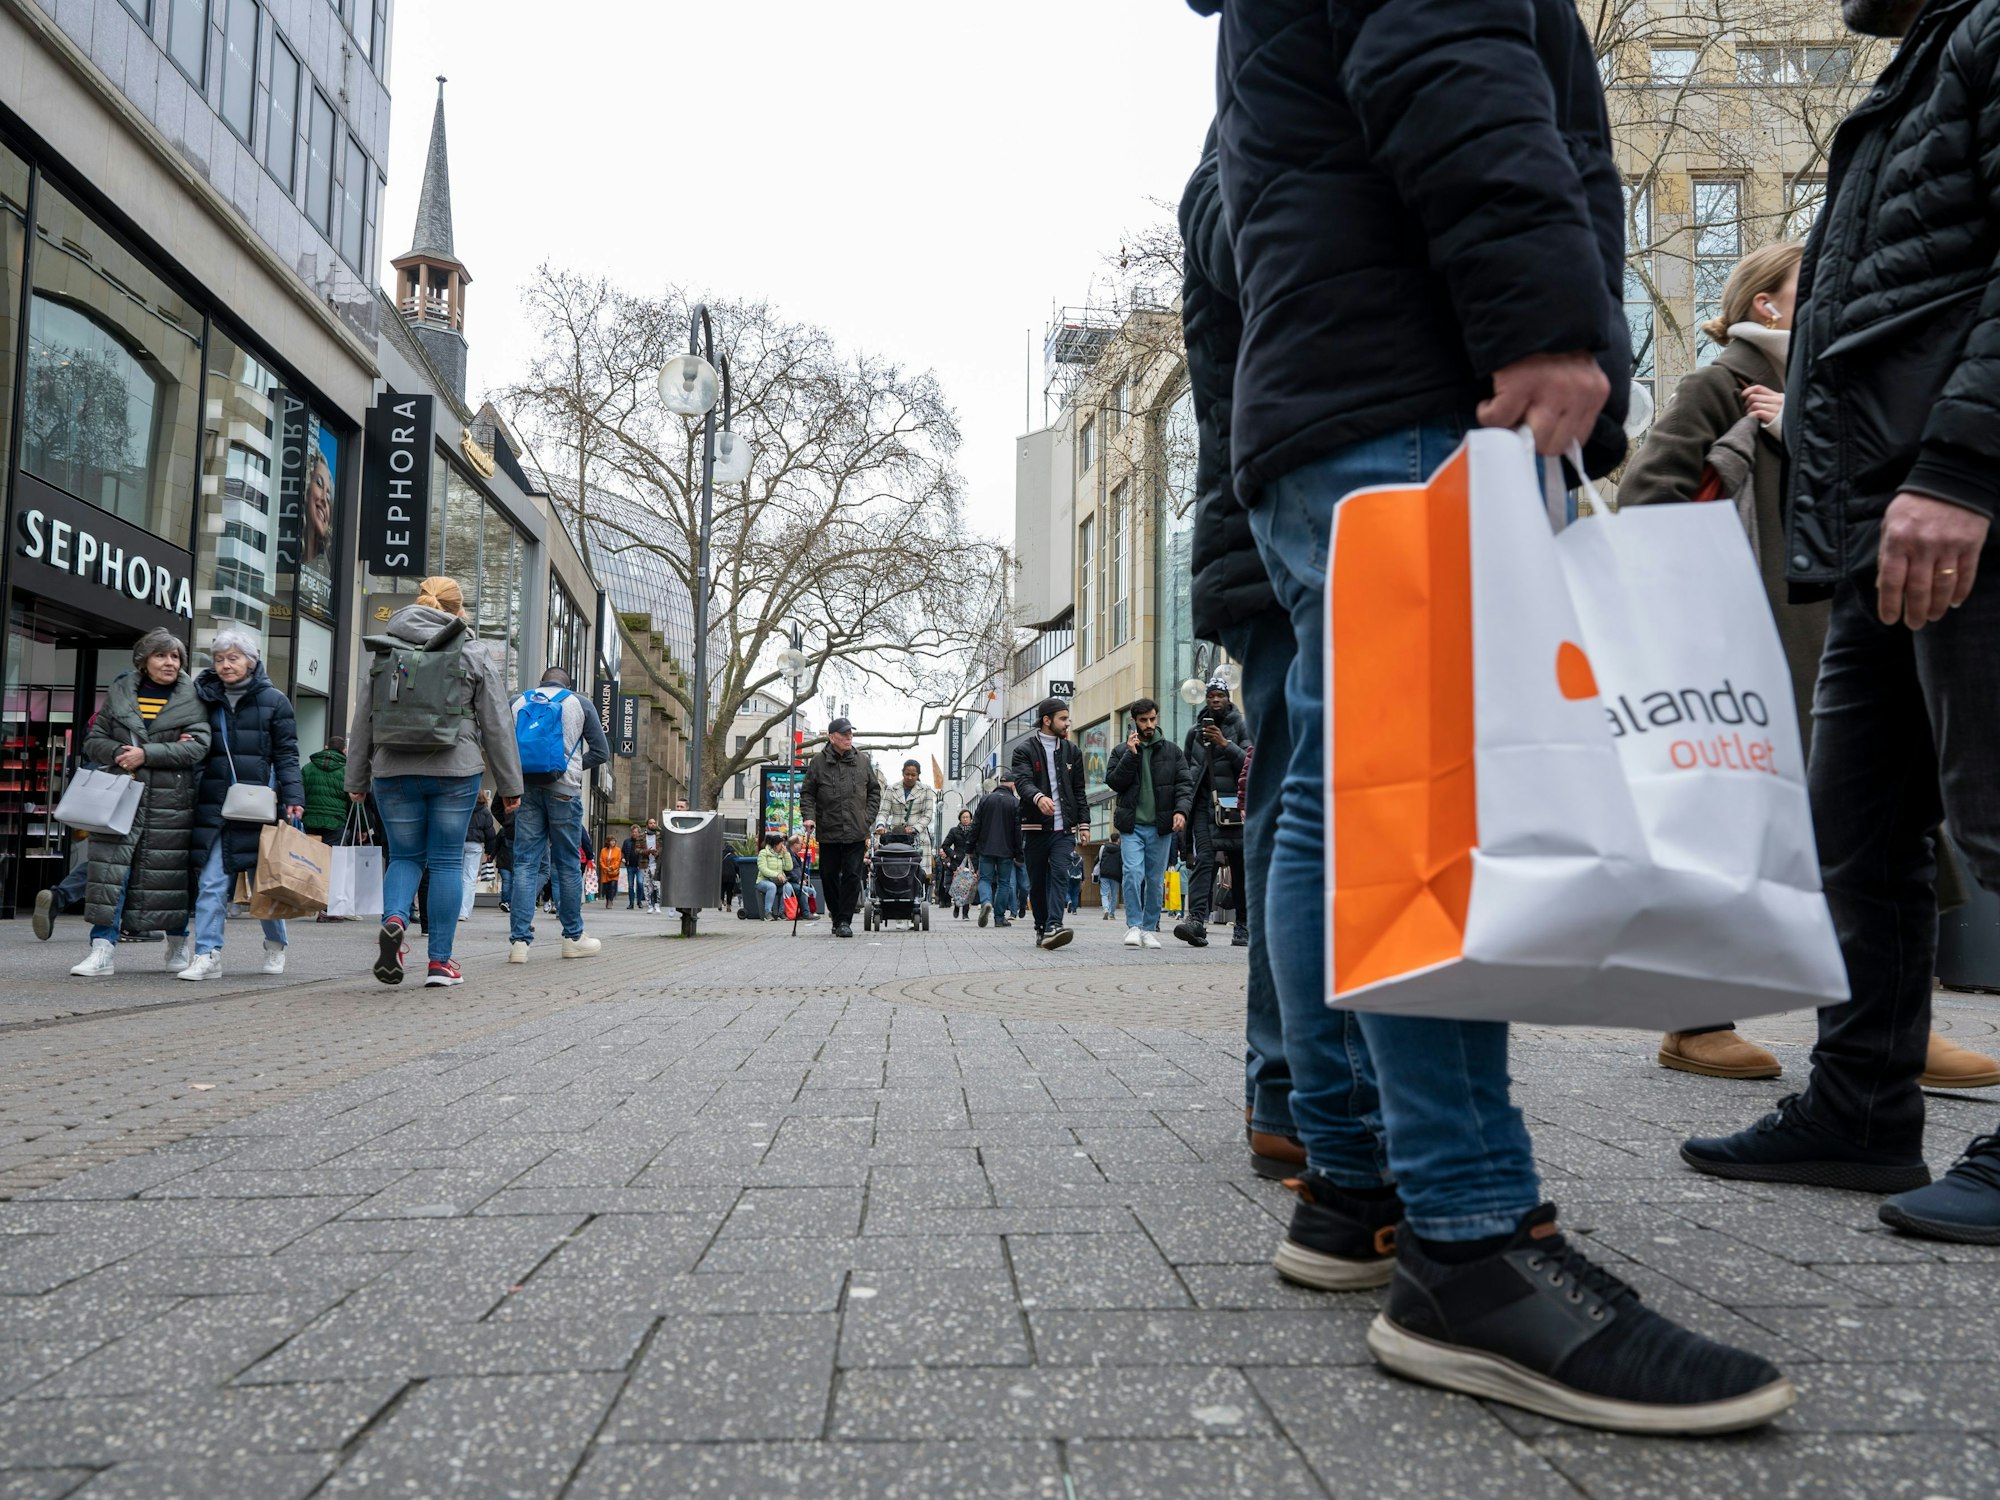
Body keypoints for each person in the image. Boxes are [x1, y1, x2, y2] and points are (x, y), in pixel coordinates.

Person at [1200, 0, 1791, 1431]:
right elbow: (1441, 47)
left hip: (1333, 397)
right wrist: (1542, 312)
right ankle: (1471, 1242)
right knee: (1434, 802)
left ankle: (1354, 1186)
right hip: (1422, 379)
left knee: (1356, 789)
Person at [1682, 0, 2000, 1247]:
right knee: (1855, 826)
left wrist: (1967, 468)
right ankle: (1858, 1105)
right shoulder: (1920, 61)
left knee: (1992, 812)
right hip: (1876, 515)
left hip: (1953, 497)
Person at [1621, 241, 1999, 1090]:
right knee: (1736, 826)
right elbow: (1646, 502)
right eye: (1817, 284)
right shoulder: (1718, 384)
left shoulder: (1841, 390)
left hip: (1848, 631)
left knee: (1883, 820)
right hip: (1749, 644)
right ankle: (1695, 1017)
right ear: (1768, 305)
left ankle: (1902, 1022)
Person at [346, 577, 522, 987]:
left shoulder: (386, 647)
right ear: (459, 609)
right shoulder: (472, 652)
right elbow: (497, 725)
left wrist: (356, 778)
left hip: (393, 769)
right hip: (455, 770)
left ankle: (393, 921)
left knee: (406, 857)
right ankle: (440, 963)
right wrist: (511, 786)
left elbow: (363, 721)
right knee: (445, 861)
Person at [68, 630, 211, 978]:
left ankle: (178, 943)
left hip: (170, 800)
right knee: (110, 875)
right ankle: (101, 950)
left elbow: (198, 747)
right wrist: (119, 753)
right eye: (162, 656)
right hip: (121, 795)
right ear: (144, 660)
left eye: (176, 657)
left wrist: (146, 753)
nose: (170, 663)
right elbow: (94, 740)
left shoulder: (192, 697)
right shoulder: (120, 692)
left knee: (169, 876)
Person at [178, 629, 304, 981]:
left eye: (233, 658)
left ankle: (276, 945)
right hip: (216, 804)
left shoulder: (275, 701)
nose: (225, 665)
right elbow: (193, 740)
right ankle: (207, 953)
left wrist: (294, 797)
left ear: (251, 660)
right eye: (219, 659)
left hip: (260, 807)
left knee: (265, 883)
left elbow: (287, 755)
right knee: (212, 882)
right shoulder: (203, 698)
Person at [506, 666, 610, 964]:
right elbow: (601, 752)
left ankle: (519, 944)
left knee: (525, 863)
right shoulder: (579, 703)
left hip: (526, 789)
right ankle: (573, 938)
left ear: (542, 682)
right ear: (568, 684)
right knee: (566, 863)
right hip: (564, 790)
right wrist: (570, 766)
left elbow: (504, 746)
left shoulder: (518, 701)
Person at [1105, 698, 1194, 952]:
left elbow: (1184, 785)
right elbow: (1114, 782)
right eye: (1143, 720)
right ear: (1134, 721)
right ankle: (1133, 925)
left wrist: (1181, 811)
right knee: (1133, 874)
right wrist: (1131, 756)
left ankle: (1148, 928)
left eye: (1152, 719)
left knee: (1155, 881)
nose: (1149, 724)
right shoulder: (1121, 751)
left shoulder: (1172, 751)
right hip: (1132, 826)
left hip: (1161, 826)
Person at [1175, 679, 1250, 949]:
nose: (1215, 700)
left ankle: (1243, 924)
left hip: (1236, 808)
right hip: (1205, 807)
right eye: (1211, 696)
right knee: (1203, 863)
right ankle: (1196, 921)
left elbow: (1250, 763)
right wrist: (1183, 806)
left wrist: (1224, 743)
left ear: (1228, 698)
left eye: (1220, 695)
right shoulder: (1195, 732)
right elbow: (1186, 772)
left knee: (1240, 869)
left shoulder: (1241, 725)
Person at [1009, 698, 1087, 951]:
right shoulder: (1024, 750)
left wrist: (1084, 823)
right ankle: (1041, 926)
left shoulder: (1072, 751)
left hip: (1063, 828)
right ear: (1047, 720)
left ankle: (1055, 924)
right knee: (1038, 881)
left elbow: (1079, 790)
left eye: (1068, 718)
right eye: (1063, 718)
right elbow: (1022, 781)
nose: (1067, 723)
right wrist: (1038, 797)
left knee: (1060, 873)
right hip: (1035, 827)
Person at [801, 716, 881, 939]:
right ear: (831, 737)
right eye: (844, 734)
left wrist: (868, 817)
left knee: (853, 875)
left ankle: (845, 920)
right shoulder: (818, 762)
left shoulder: (863, 761)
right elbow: (807, 793)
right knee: (828, 875)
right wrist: (809, 817)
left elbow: (875, 791)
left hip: (856, 829)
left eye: (850, 733)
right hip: (829, 828)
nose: (849, 737)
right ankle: (836, 916)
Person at [971, 772, 1024, 928]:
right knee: (1004, 883)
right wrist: (1019, 853)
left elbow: (976, 825)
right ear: (1013, 785)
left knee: (985, 879)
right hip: (1006, 851)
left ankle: (986, 902)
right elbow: (1018, 831)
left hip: (986, 847)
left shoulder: (985, 800)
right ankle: (999, 918)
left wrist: (970, 847)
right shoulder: (1015, 803)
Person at [880, 759, 936, 873]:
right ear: (902, 773)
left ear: (918, 775)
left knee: (920, 874)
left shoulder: (926, 790)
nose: (910, 777)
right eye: (907, 774)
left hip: (918, 838)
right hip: (896, 837)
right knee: (895, 871)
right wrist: (880, 824)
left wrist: (914, 828)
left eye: (913, 775)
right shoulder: (891, 789)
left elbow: (928, 814)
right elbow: (884, 811)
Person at [300, 735, 349, 841]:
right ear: (344, 751)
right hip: (336, 821)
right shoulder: (346, 772)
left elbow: (300, 793)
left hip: (311, 821)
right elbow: (353, 800)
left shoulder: (307, 768)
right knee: (332, 856)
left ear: (326, 747)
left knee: (311, 855)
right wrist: (361, 827)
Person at [460, 791, 497, 921]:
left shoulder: (461, 807)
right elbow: (490, 834)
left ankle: (453, 909)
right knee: (469, 879)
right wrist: (489, 852)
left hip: (458, 844)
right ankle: (463, 912)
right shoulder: (485, 812)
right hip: (475, 845)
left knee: (455, 876)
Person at [941, 808, 977, 919]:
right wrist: (953, 855)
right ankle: (957, 906)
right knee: (958, 886)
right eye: (963, 817)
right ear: (960, 819)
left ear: (971, 819)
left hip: (970, 862)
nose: (965, 819)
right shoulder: (954, 831)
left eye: (967, 817)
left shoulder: (975, 831)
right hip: (958, 862)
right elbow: (945, 845)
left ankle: (965, 913)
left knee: (968, 887)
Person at [755, 832, 793, 921]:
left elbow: (789, 867)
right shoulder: (763, 853)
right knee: (771, 887)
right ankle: (767, 913)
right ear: (775, 845)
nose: (783, 847)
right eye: (781, 845)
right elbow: (763, 868)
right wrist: (777, 874)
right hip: (763, 881)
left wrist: (786, 854)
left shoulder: (782, 854)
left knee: (788, 887)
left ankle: (781, 912)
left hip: (777, 882)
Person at [1095, 832, 1124, 921]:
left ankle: (1105, 909)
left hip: (1104, 873)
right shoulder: (1120, 850)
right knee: (1114, 895)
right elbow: (1122, 862)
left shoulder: (1104, 847)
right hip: (1115, 875)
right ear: (1118, 839)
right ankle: (1111, 914)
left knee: (1104, 893)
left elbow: (1098, 859)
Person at [620, 824, 646, 910]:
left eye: (636, 832)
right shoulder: (627, 841)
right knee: (630, 885)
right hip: (630, 866)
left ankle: (639, 901)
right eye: (633, 832)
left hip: (640, 866)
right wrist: (623, 858)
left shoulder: (642, 842)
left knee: (640, 883)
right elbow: (622, 851)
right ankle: (631, 903)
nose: (634, 833)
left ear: (639, 833)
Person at [597, 833, 622, 906]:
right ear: (608, 842)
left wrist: (612, 867)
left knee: (612, 885)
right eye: (611, 841)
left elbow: (618, 860)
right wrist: (605, 868)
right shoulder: (603, 850)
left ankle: (611, 899)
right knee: (606, 887)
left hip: (614, 871)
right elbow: (601, 860)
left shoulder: (618, 850)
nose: (613, 842)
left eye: (614, 841)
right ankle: (607, 899)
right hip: (605, 871)